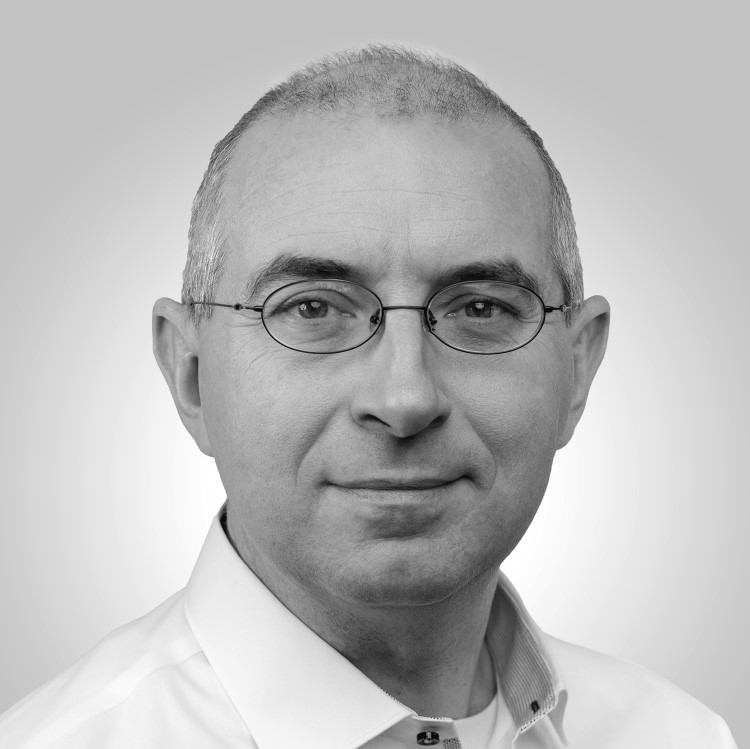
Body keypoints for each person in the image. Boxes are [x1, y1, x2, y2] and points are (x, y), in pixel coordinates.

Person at [0, 45, 737, 749]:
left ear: (577, 370)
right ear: (190, 373)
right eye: (313, 308)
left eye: (480, 308)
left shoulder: (682, 737)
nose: (405, 397)